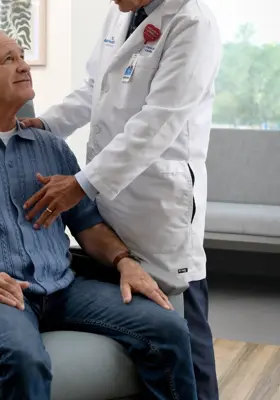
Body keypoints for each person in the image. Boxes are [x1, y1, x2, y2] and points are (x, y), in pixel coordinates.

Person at [0, 29, 198, 400]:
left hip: (62, 288)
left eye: (22, 56)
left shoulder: (52, 148)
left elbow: (88, 225)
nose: (24, 66)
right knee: (21, 357)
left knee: (168, 328)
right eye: (9, 60)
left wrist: (124, 260)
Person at [20, 0, 222, 399]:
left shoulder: (192, 23)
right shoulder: (122, 12)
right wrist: (46, 124)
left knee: (181, 322)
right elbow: (94, 89)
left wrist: (81, 184)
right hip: (112, 200)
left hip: (158, 204)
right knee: (134, 319)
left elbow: (158, 121)